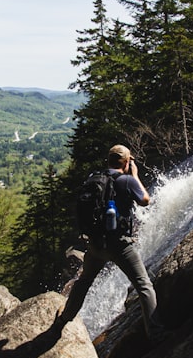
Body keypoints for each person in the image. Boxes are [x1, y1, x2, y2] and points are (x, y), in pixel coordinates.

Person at [60, 144, 163, 336]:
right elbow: (145, 200)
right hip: (119, 245)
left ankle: (64, 319)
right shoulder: (126, 180)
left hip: (96, 244)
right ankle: (156, 334)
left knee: (84, 282)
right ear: (126, 162)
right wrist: (135, 175)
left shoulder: (95, 178)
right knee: (144, 286)